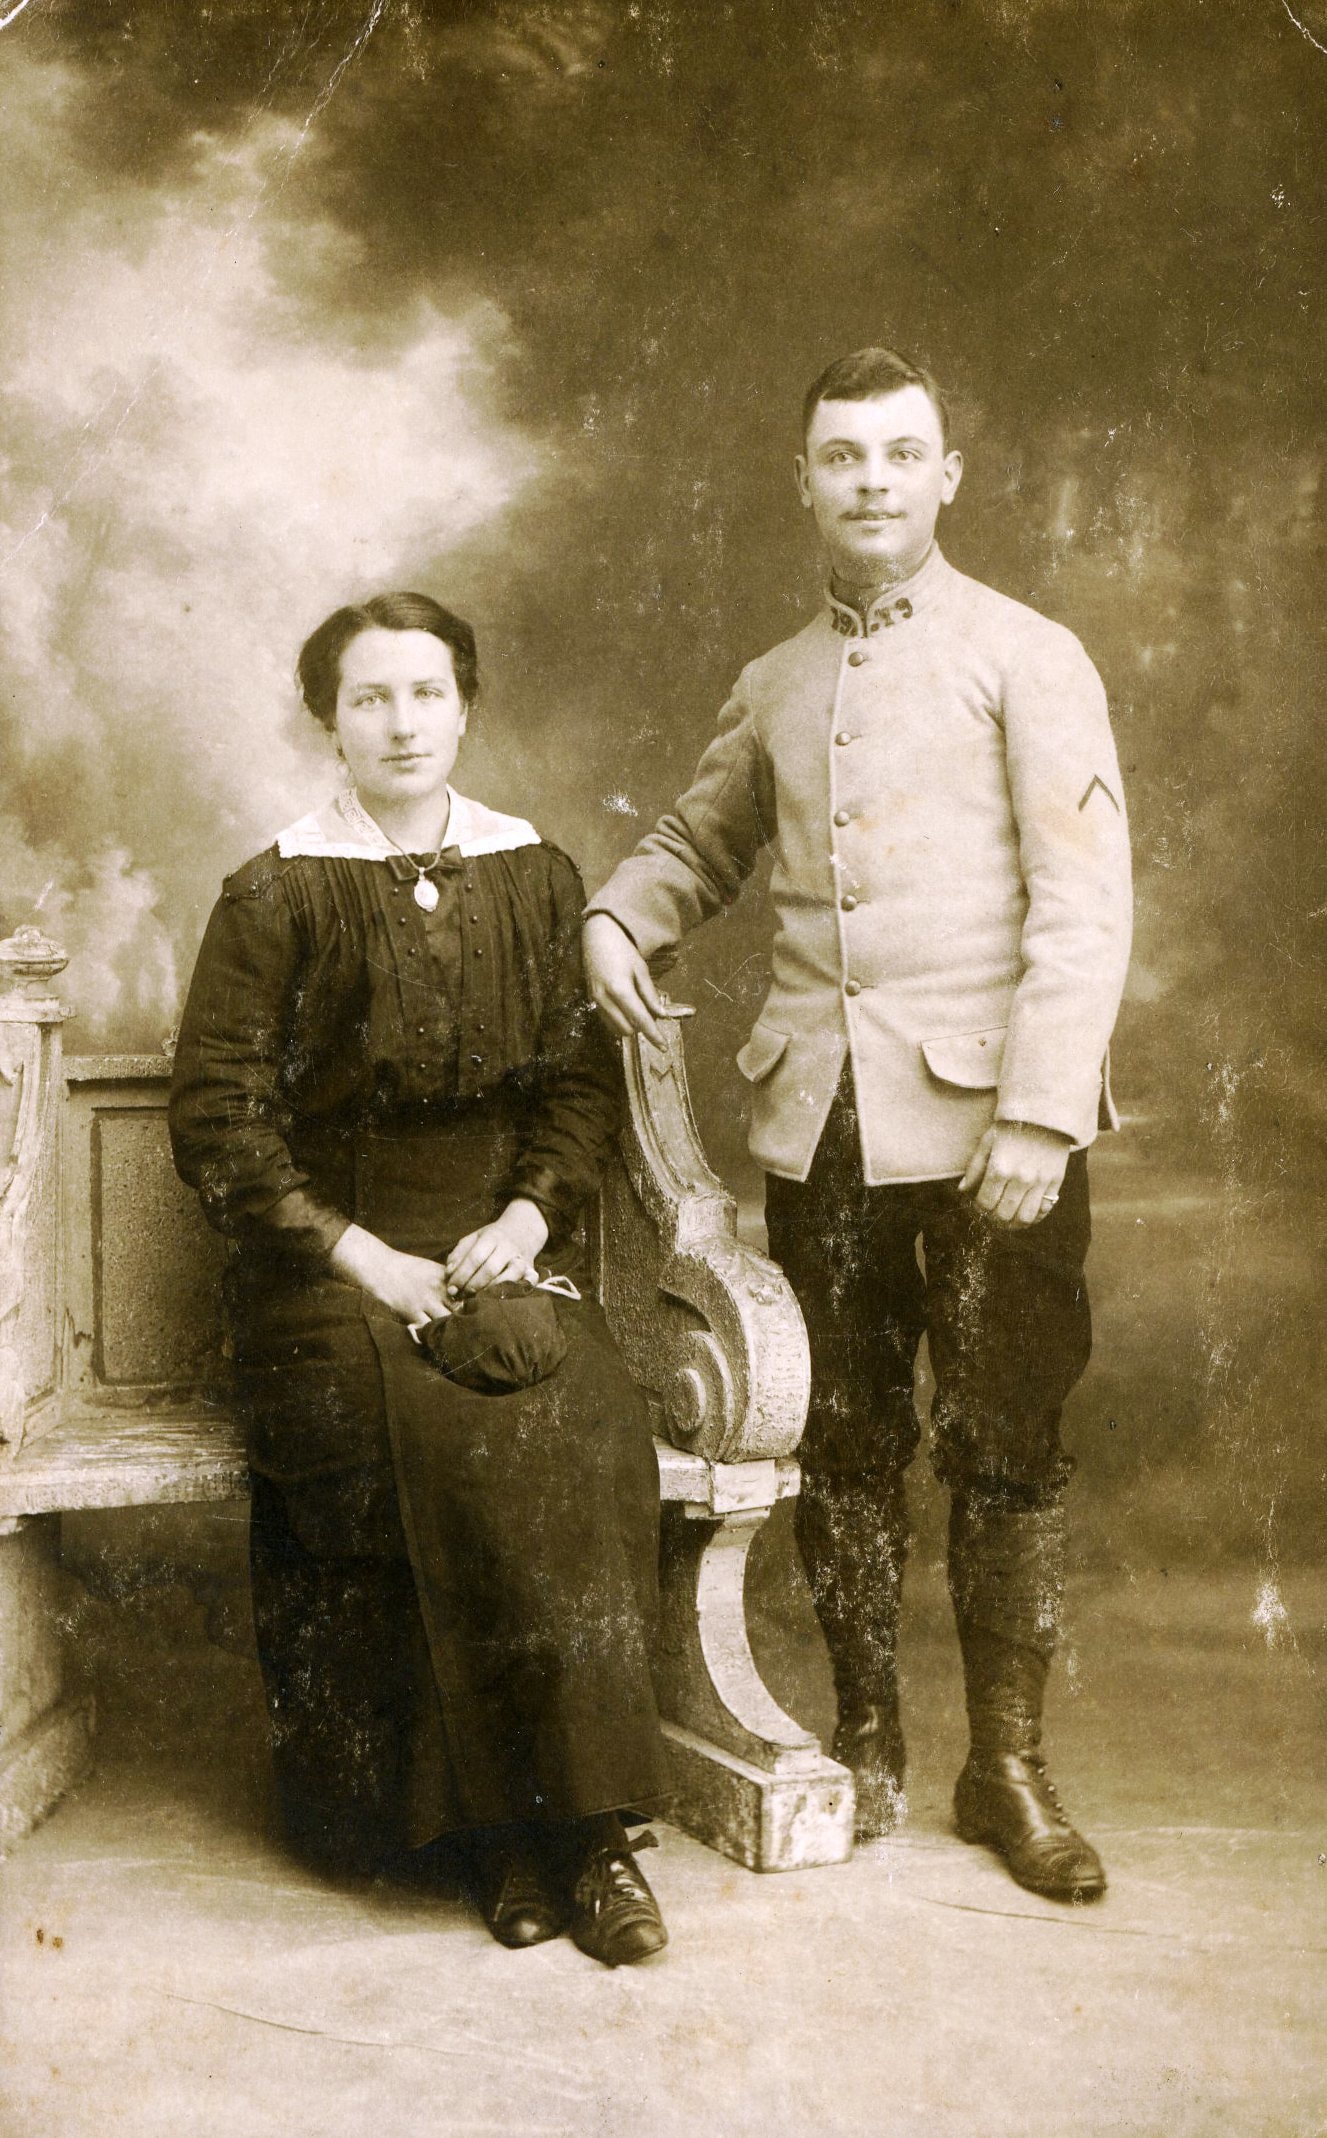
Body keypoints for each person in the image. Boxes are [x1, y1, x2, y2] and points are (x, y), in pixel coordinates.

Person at [583, 348, 1133, 1903]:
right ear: (805, 483)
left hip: (988, 1132)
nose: (873, 482)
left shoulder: (1031, 655)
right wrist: (622, 917)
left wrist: (1037, 1112)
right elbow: (700, 836)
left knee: (1010, 1443)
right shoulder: (776, 680)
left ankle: (1008, 1767)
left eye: (902, 454)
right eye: (843, 458)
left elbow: (1088, 908)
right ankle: (872, 1733)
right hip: (819, 1124)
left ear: (949, 474)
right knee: (842, 1438)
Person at [169, 591, 671, 1966]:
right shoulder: (275, 891)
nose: (402, 721)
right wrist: (358, 1252)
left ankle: (590, 1832)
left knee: (580, 1419)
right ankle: (485, 1835)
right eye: (372, 697)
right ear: (329, 719)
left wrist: (525, 1215)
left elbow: (580, 1087)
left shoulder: (536, 874)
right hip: (323, 1264)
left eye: (428, 693)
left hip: (489, 1244)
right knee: (414, 1441)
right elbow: (217, 1121)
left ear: (466, 706)